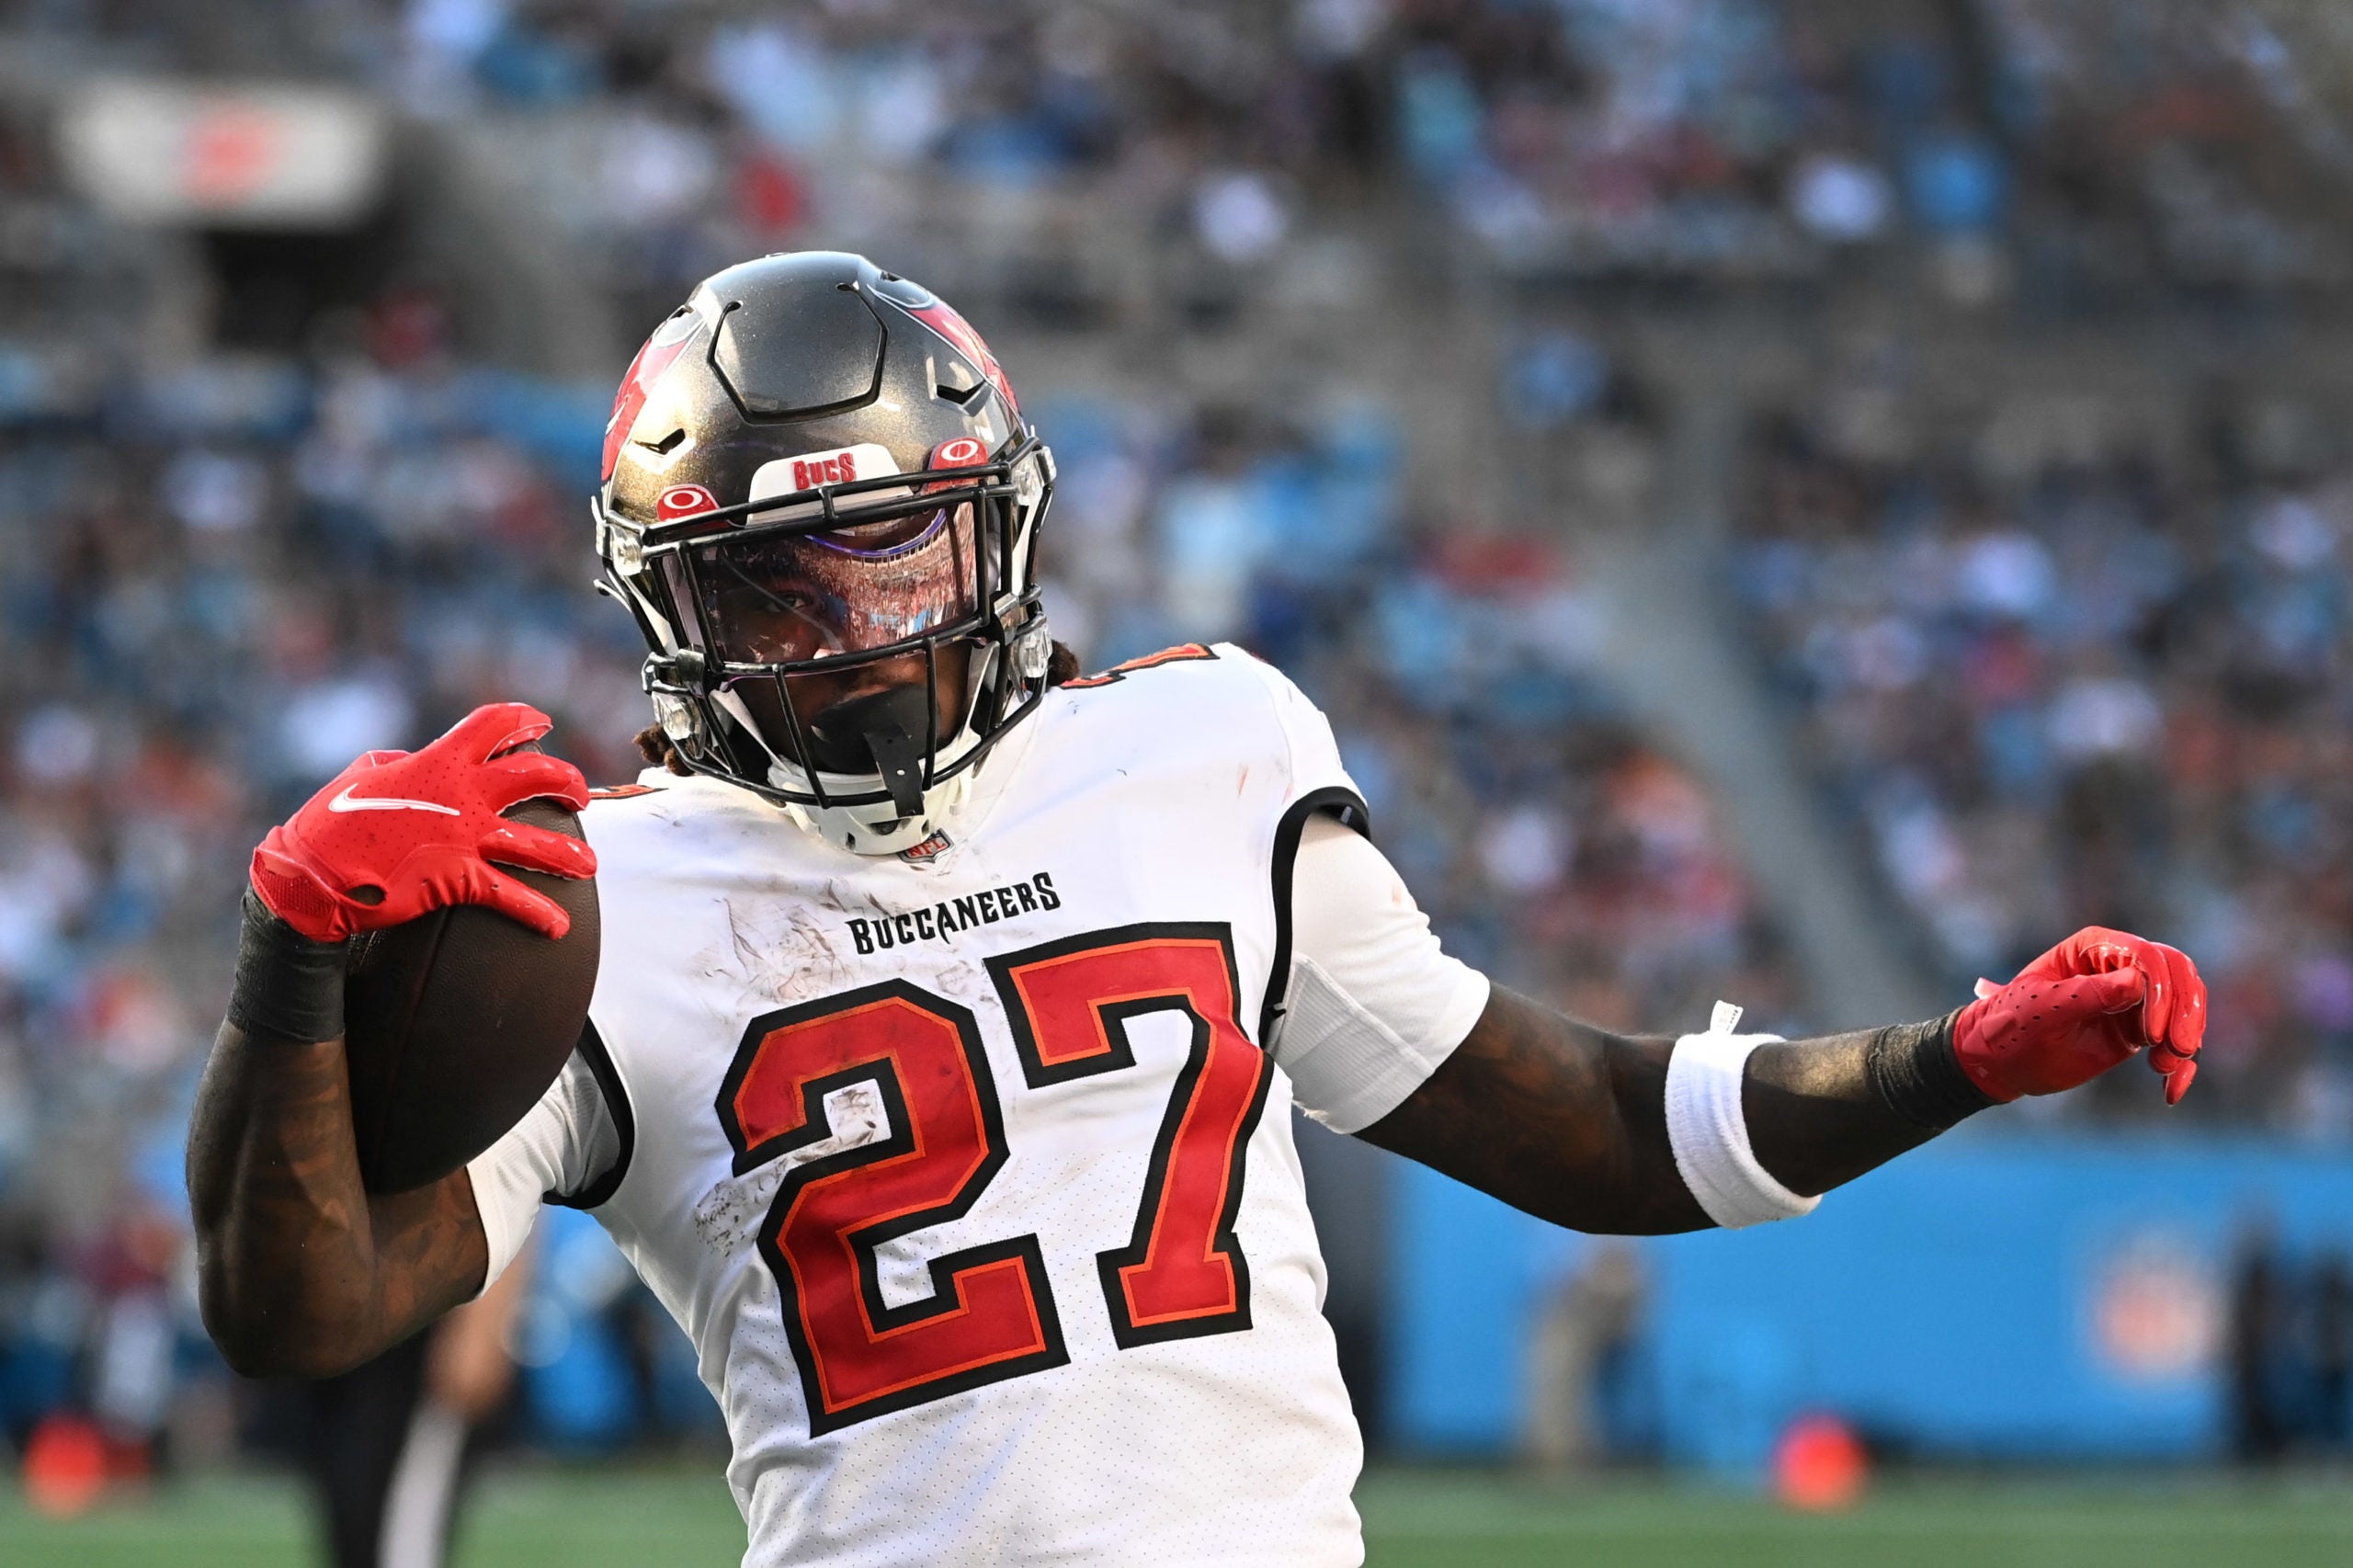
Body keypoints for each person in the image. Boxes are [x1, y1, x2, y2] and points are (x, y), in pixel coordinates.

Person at [187, 251, 2207, 1567]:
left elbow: (1587, 1120)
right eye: (773, 588)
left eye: (889, 559)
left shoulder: (1205, 753)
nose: (850, 638)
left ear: (991, 525)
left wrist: (1950, 1058)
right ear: (665, 608)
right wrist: (291, 973)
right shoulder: (602, 898)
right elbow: (303, 1310)